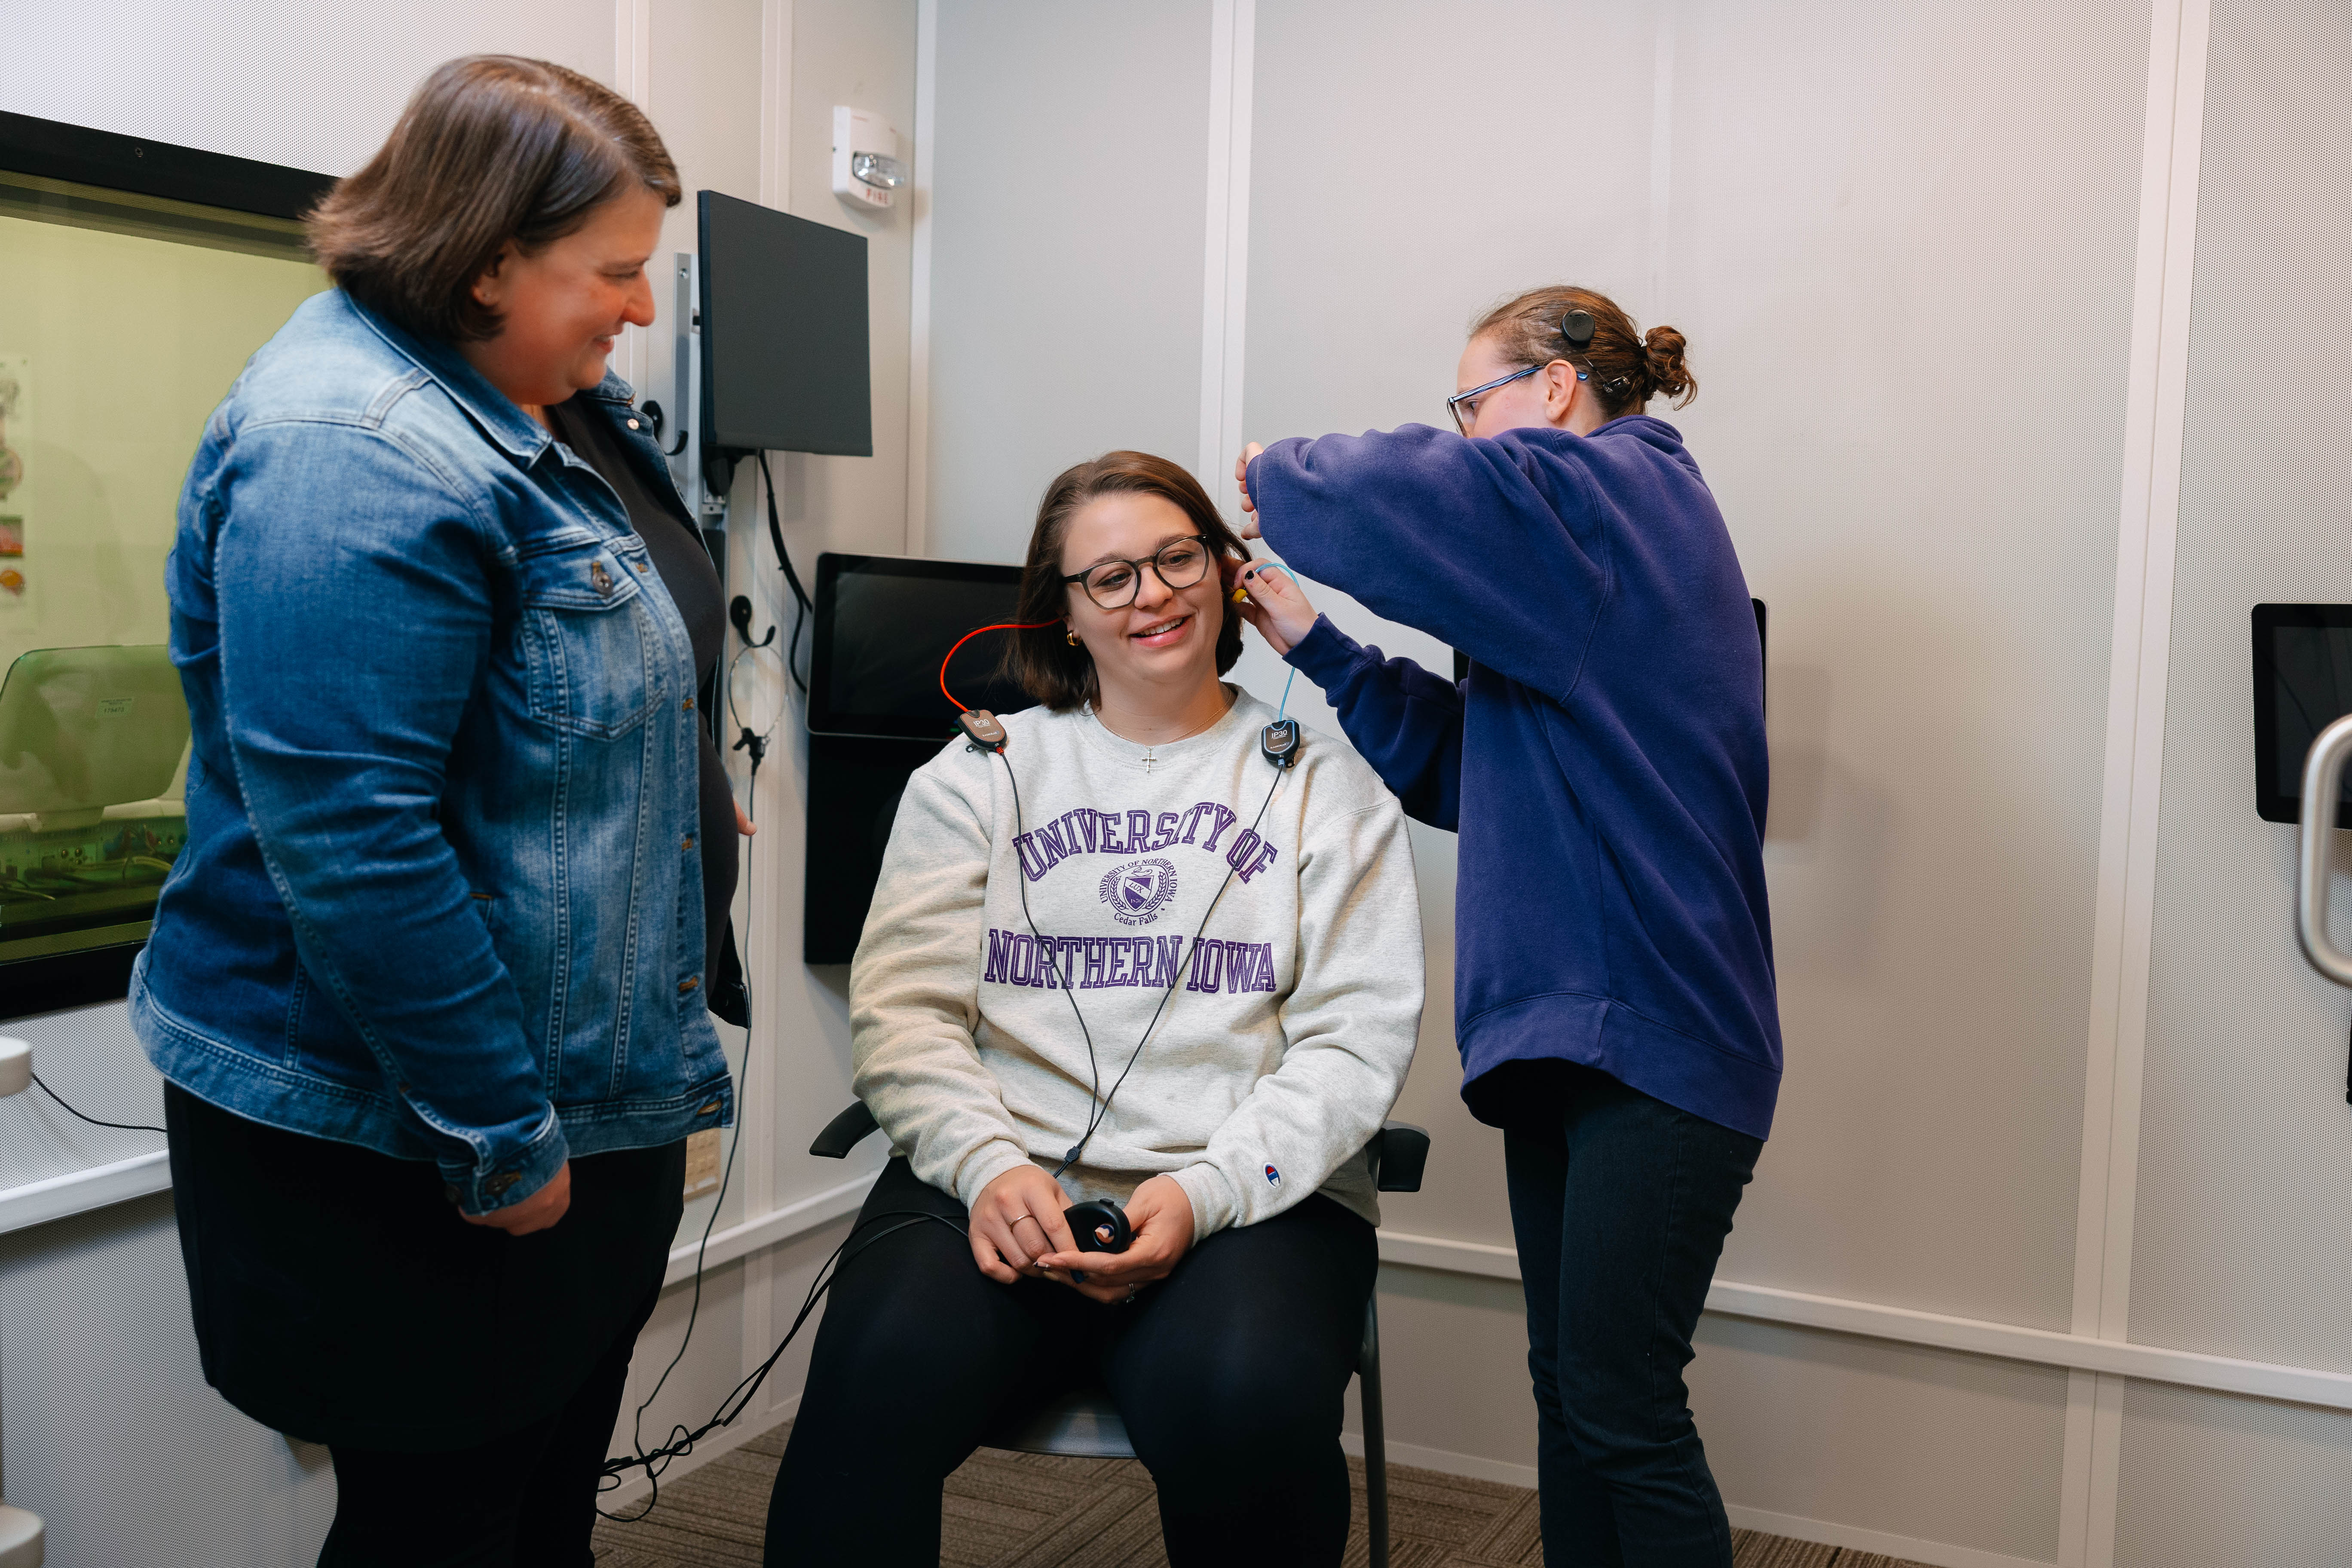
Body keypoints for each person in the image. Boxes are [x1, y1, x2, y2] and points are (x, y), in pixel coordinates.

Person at [135, 56, 746, 1567]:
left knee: (537, 1517)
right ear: (484, 260)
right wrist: (502, 1137)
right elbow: (354, 843)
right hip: (415, 1130)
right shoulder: (350, 453)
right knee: (441, 1531)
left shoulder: (537, 391)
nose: (637, 310)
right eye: (611, 273)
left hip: (572, 1093)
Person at [763, 452, 1424, 1567]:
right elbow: (905, 1014)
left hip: (1241, 1199)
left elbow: (1354, 1042)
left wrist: (1206, 1191)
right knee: (869, 1390)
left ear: (1225, 574)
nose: (1151, 595)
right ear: (1063, 613)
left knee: (1245, 1411)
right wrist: (986, 1165)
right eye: (1109, 577)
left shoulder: (1324, 780)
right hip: (1003, 1185)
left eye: (1175, 559)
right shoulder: (978, 776)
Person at [1231, 285, 1778, 1568]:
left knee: (1624, 1412)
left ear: (1556, 389)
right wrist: (1319, 646)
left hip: (1654, 1032)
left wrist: (1279, 476)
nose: (1468, 436)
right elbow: (1472, 775)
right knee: (1577, 1399)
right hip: (1581, 1041)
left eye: (1471, 405)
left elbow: (1405, 496)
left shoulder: (1623, 498)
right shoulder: (1587, 567)